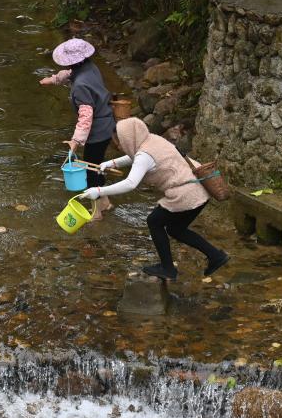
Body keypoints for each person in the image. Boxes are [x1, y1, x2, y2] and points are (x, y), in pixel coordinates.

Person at [80, 117, 229, 280]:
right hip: (199, 188)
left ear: (130, 138)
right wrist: (111, 163)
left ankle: (168, 268)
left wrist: (99, 190)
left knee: (154, 221)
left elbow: (131, 183)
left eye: (121, 140)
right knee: (175, 229)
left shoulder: (144, 154)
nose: (119, 145)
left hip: (186, 193)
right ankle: (216, 256)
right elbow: (136, 157)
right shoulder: (152, 140)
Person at [40, 37, 115, 219]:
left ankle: (96, 212)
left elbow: (86, 117)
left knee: (90, 172)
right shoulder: (91, 67)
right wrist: (54, 79)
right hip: (107, 124)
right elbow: (69, 74)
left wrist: (76, 141)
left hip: (96, 131)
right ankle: (105, 202)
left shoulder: (81, 86)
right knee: (97, 166)